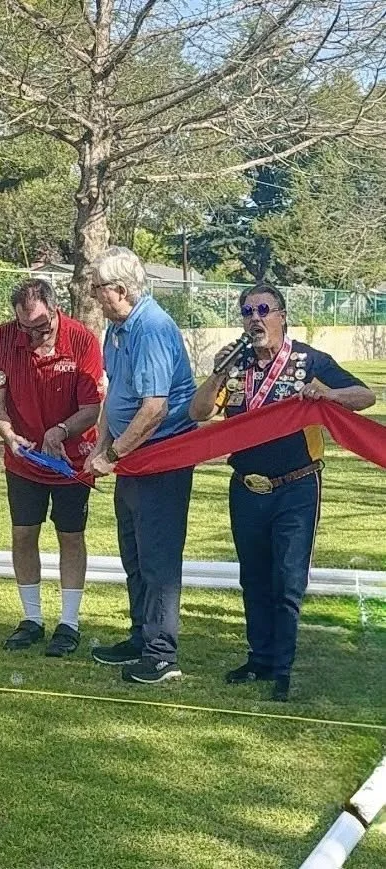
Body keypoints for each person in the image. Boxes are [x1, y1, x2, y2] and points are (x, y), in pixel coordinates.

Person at [189, 284, 374, 701]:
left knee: (287, 581)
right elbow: (198, 413)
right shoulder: (235, 367)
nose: (255, 318)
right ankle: (259, 658)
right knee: (253, 577)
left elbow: (365, 395)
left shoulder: (309, 360)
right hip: (247, 487)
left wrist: (328, 394)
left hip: (296, 486)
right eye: (247, 311)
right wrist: (216, 372)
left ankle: (283, 669)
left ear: (282, 315)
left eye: (264, 310)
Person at [84, 246, 197, 685]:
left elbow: (154, 409)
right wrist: (102, 445)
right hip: (131, 458)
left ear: (121, 290)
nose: (93, 296)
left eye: (98, 289)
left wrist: (111, 456)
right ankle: (140, 637)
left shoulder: (150, 329)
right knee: (133, 553)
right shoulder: (117, 329)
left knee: (158, 560)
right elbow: (117, 396)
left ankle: (162, 654)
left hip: (161, 458)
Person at [0, 278, 103, 656]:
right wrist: (8, 435)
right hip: (24, 459)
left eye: (40, 327)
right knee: (23, 534)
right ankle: (32, 619)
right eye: (25, 327)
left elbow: (92, 408)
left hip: (71, 460)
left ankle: (68, 623)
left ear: (55, 311)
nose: (32, 336)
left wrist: (61, 431)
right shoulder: (3, 340)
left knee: (71, 536)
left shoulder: (82, 339)